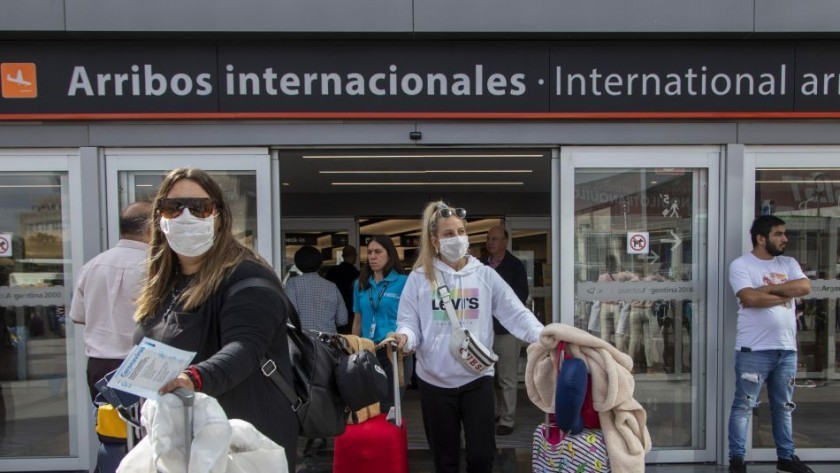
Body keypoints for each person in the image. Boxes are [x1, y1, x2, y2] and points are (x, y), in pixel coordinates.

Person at [132, 168, 298, 472]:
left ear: (219, 216)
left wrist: (191, 378)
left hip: (243, 444)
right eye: (173, 207)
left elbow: (245, 348)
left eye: (199, 208)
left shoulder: (248, 277)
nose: (186, 217)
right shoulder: (167, 282)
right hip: (185, 442)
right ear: (160, 217)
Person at [390, 201, 543, 473]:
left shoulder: (485, 275)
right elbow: (409, 322)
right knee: (445, 461)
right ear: (435, 241)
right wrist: (404, 338)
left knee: (482, 457)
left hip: (477, 379)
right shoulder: (419, 278)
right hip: (434, 382)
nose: (457, 238)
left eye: (461, 231)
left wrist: (543, 337)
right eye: (449, 234)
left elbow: (516, 313)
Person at [727, 215, 813, 473]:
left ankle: (786, 458)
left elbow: (805, 287)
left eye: (784, 233)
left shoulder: (788, 263)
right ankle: (737, 461)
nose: (784, 238)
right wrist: (784, 295)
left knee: (784, 406)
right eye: (778, 234)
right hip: (754, 349)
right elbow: (749, 299)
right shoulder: (742, 265)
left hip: (786, 349)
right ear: (761, 238)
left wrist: (765, 292)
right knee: (744, 406)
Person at [69, 201, 152, 402]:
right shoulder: (158, 268)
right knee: (152, 431)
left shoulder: (91, 267)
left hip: (100, 365)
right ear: (151, 228)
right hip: (144, 365)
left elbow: (78, 317)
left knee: (109, 429)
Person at [351, 235, 411, 412]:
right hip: (368, 352)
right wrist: (353, 349)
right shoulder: (361, 283)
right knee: (369, 407)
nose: (372, 257)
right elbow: (358, 320)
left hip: (394, 352)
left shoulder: (404, 282)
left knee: (390, 408)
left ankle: (391, 438)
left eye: (378, 252)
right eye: (369, 252)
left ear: (390, 255)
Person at [481, 225, 529, 436]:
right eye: (489, 238)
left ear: (505, 241)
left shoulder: (515, 265)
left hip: (507, 331)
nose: (490, 242)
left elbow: (520, 296)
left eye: (495, 239)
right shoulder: (481, 266)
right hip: (484, 330)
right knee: (485, 375)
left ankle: (508, 420)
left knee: (507, 378)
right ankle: (491, 412)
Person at [285, 245, 348, 334]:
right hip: (328, 343)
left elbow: (290, 317)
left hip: (303, 342)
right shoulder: (332, 287)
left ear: (298, 263)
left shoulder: (293, 284)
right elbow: (342, 320)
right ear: (320, 263)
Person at [326, 244, 360, 334]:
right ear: (354, 256)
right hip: (351, 313)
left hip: (332, 312)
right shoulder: (356, 274)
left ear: (342, 256)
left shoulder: (332, 271)